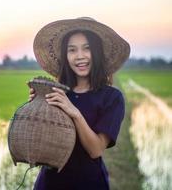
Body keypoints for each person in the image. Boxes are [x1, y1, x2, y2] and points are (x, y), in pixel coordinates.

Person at [28, 17, 130, 190]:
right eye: (72, 50)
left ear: (97, 52)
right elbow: (39, 143)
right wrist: (37, 107)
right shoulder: (57, 92)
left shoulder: (111, 98)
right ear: (66, 56)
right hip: (49, 184)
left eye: (87, 48)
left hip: (89, 183)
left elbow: (96, 150)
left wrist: (73, 112)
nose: (80, 56)